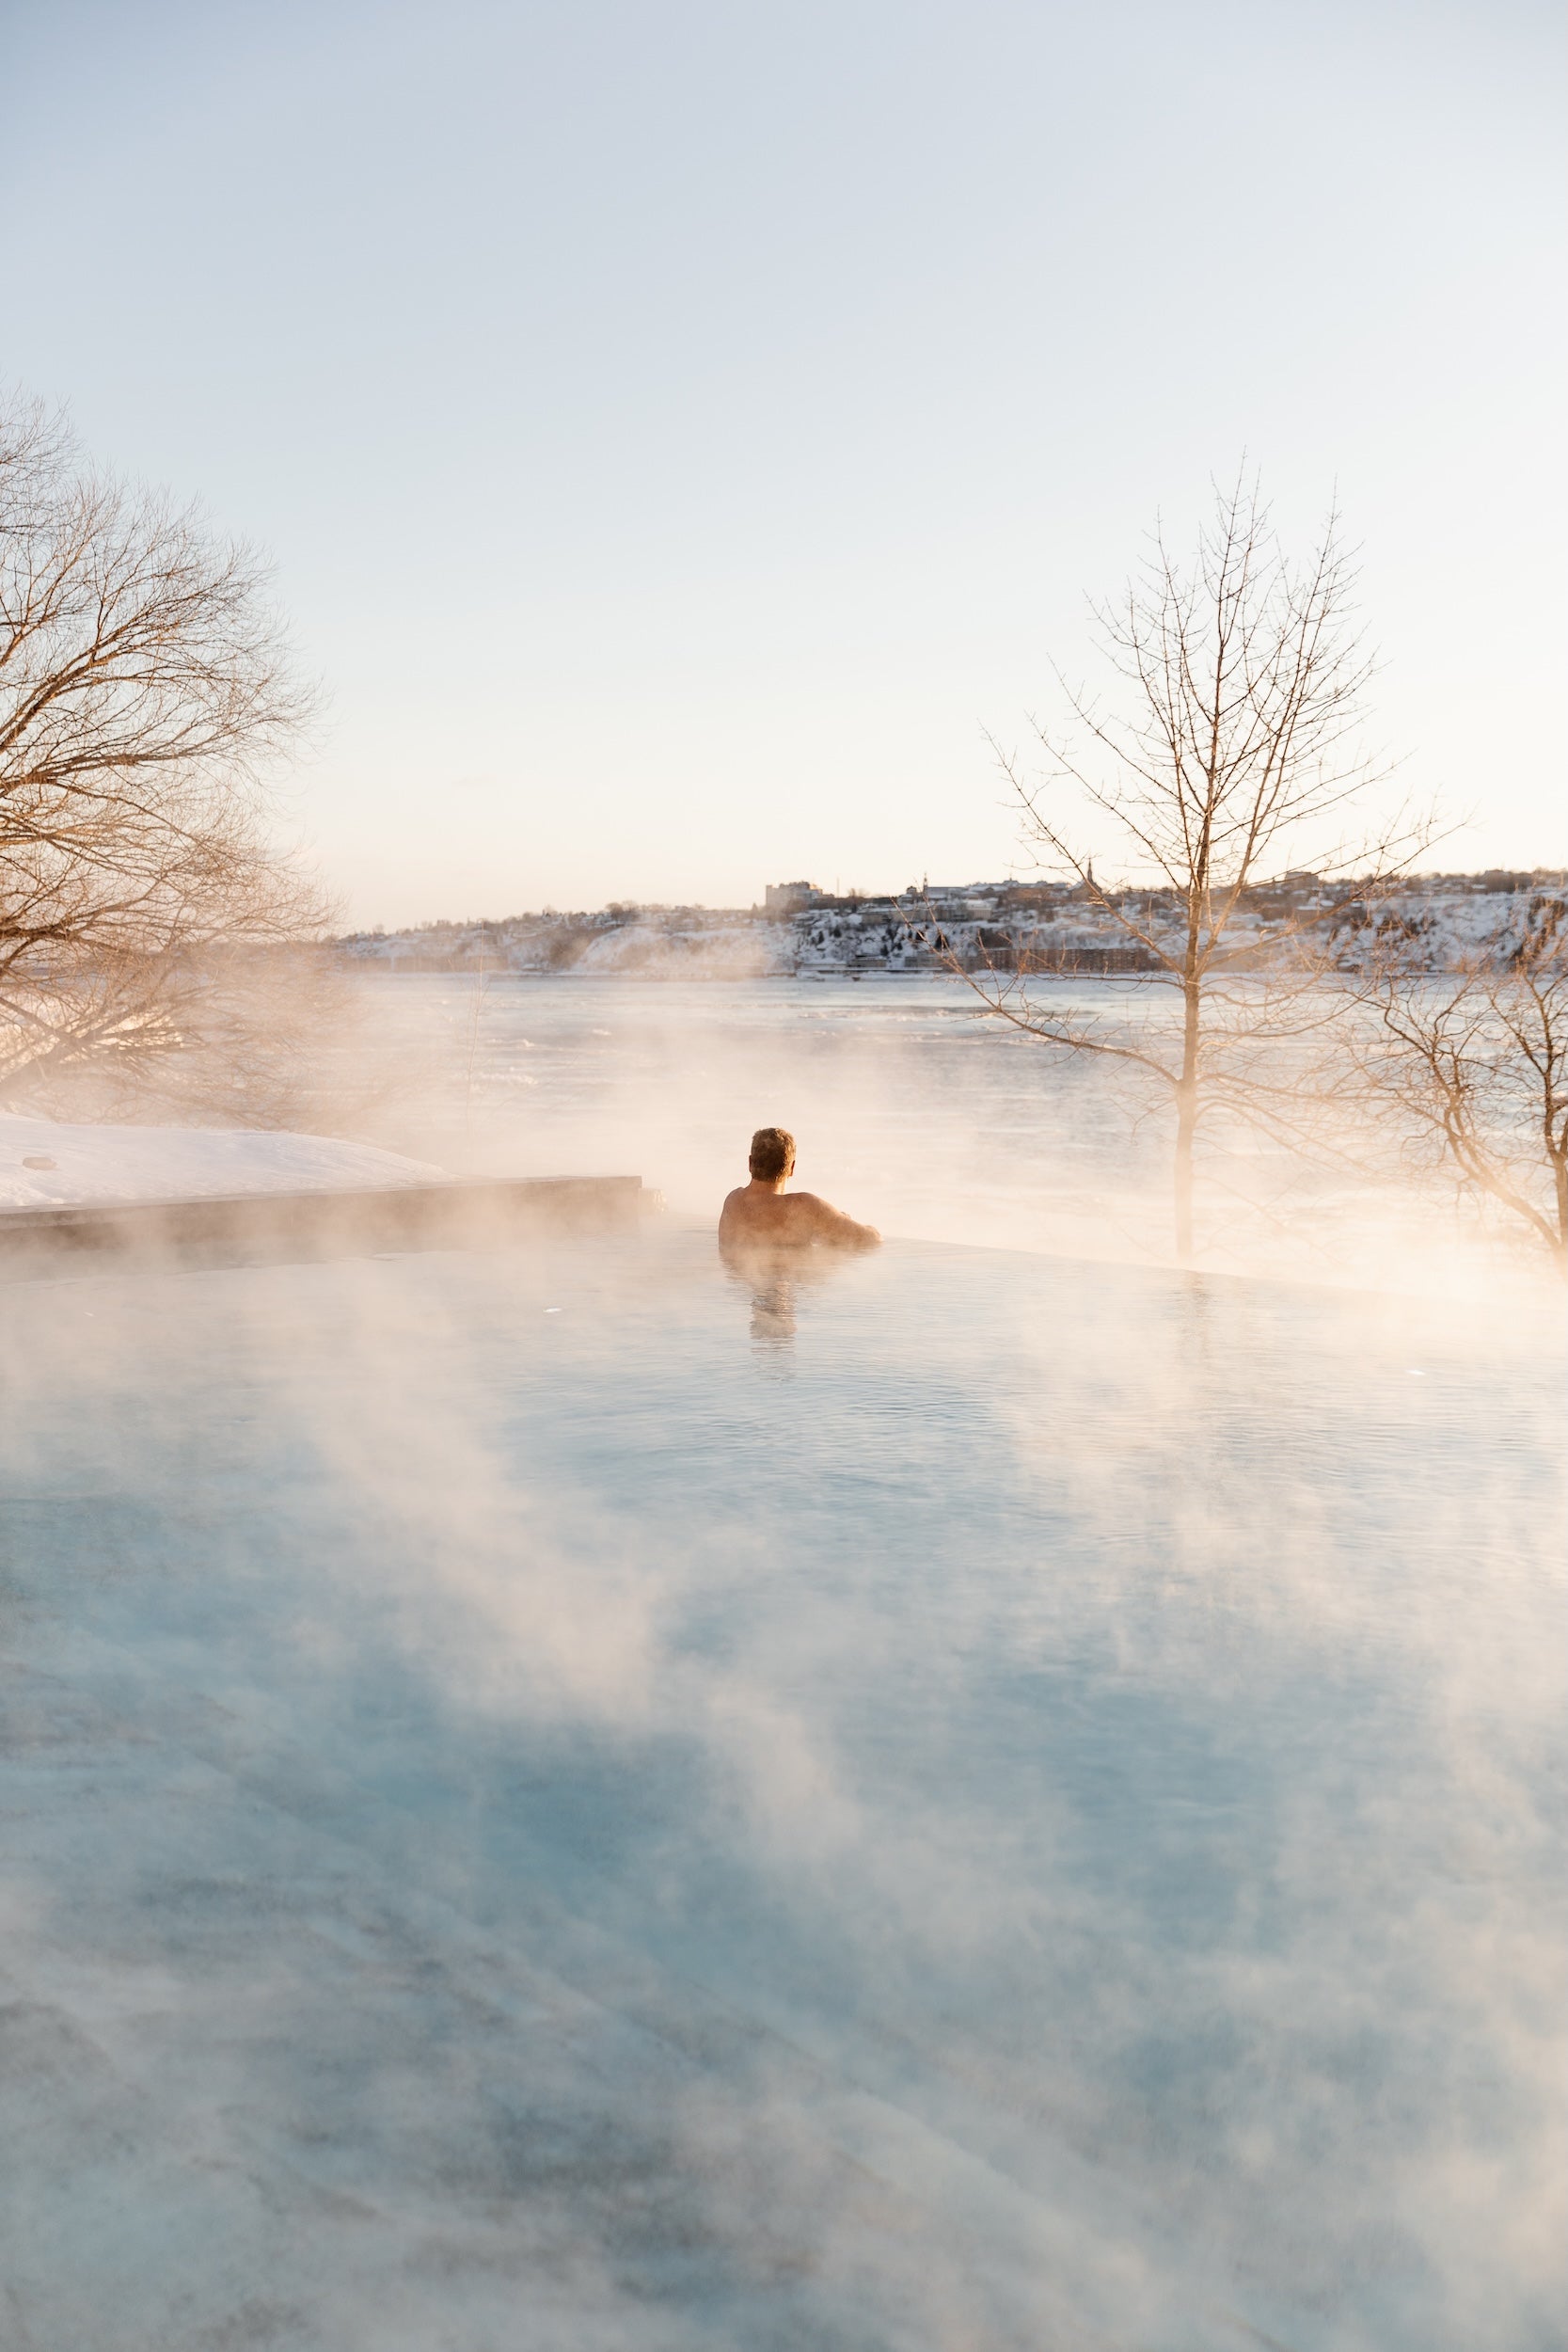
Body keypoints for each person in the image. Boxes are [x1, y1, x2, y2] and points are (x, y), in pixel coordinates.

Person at [718, 1127, 880, 1251]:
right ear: (792, 1167)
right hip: (783, 1280)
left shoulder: (733, 1201)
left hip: (740, 1287)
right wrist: (839, 1221)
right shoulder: (801, 1206)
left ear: (750, 1163)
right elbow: (872, 1239)